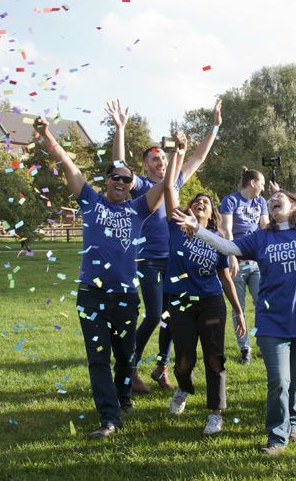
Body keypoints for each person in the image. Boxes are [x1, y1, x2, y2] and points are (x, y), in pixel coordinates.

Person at [175, 178, 296, 455]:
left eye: (278, 197)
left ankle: (293, 423)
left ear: (294, 205)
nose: (272, 200)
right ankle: (276, 436)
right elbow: (228, 247)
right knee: (279, 380)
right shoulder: (261, 236)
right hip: (272, 320)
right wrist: (199, 230)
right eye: (269, 200)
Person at [35, 115, 170, 439]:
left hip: (125, 297)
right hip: (92, 295)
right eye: (116, 178)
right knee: (99, 359)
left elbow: (167, 185)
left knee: (124, 357)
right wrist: (45, 134)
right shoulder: (90, 202)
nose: (121, 183)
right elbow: (68, 165)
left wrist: (176, 153)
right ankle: (109, 418)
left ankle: (123, 399)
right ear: (106, 180)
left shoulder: (138, 208)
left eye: (127, 179)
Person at [108, 99, 223, 392]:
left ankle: (161, 367)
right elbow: (119, 167)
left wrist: (214, 127)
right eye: (155, 160)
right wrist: (120, 129)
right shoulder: (143, 188)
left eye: (164, 158)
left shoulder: (177, 183)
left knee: (172, 318)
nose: (161, 162)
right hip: (148, 260)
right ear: (145, 165)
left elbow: (198, 156)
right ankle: (129, 369)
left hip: (175, 263)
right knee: (153, 314)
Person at [160, 130, 247, 435]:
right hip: (180, 302)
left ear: (211, 217)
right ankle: (183, 388)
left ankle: (216, 412)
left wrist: (238, 310)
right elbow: (170, 187)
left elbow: (226, 278)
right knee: (183, 361)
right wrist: (178, 152)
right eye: (195, 201)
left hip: (211, 302)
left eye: (205, 204)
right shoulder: (176, 226)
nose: (199, 203)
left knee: (214, 359)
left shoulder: (217, 240)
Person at [219, 167, 270, 364]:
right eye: (262, 184)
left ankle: (264, 343)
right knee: (238, 307)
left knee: (263, 304)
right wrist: (231, 255)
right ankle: (245, 349)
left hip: (256, 263)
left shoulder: (261, 202)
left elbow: (264, 229)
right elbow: (227, 229)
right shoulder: (230, 201)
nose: (263, 189)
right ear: (252, 183)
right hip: (237, 263)